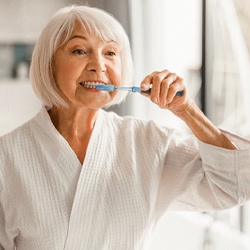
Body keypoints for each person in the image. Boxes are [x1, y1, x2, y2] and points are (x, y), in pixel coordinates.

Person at [0, 5, 250, 250]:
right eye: (79, 51)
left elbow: (235, 185)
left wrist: (188, 111)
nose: (98, 65)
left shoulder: (148, 143)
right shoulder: (6, 157)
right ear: (48, 64)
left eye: (110, 53)